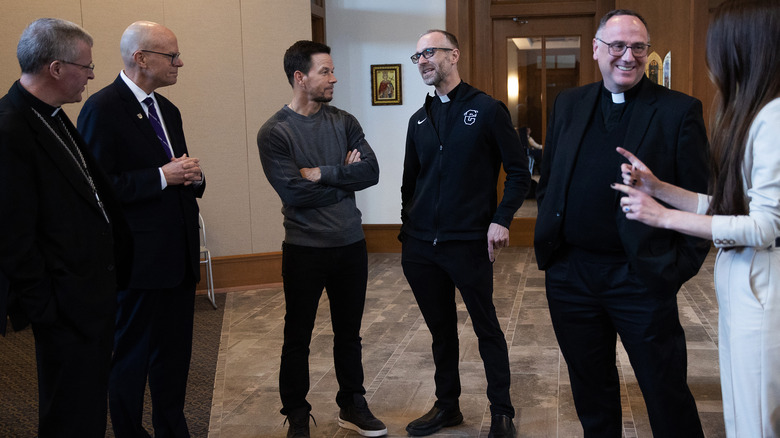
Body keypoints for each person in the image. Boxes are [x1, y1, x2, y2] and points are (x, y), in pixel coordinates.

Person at [534, 9, 710, 438]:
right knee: (590, 391)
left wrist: (673, 270)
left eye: (637, 47)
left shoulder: (678, 111)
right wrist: (555, 255)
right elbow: (552, 177)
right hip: (572, 275)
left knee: (665, 390)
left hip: (640, 276)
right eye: (617, 46)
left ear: (648, 53)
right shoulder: (569, 104)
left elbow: (700, 200)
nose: (627, 56)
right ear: (597, 50)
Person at [611, 1, 780, 435]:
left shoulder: (774, 118)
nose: (711, 55)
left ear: (743, 47)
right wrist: (660, 189)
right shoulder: (754, 111)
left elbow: (764, 226)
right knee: (744, 414)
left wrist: (662, 217)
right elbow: (730, 210)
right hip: (743, 283)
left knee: (758, 420)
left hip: (761, 286)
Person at [0, 18, 132, 437]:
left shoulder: (54, 115)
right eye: (87, 67)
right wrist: (46, 306)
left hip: (88, 293)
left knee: (87, 404)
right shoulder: (10, 127)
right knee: (68, 412)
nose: (92, 76)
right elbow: (12, 234)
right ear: (56, 68)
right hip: (62, 302)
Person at [77, 21, 205, 438]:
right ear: (141, 58)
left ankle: (172, 428)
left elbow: (177, 173)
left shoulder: (167, 109)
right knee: (131, 357)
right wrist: (162, 177)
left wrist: (193, 178)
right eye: (172, 56)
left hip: (179, 259)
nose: (179, 63)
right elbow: (97, 189)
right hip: (136, 262)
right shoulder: (102, 108)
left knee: (174, 357)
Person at [401, 30, 530, 438]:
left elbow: (519, 172)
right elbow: (410, 183)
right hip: (422, 247)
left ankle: (502, 411)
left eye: (429, 52)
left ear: (453, 55)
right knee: (441, 330)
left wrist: (502, 217)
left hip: (468, 243)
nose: (422, 60)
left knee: (485, 326)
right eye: (416, 55)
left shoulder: (487, 110)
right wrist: (409, 228)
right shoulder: (418, 119)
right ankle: (447, 406)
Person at [257, 40, 386, 438]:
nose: (334, 78)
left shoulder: (344, 121)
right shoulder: (275, 133)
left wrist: (321, 173)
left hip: (350, 245)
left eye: (332, 71)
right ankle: (296, 412)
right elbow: (294, 193)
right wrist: (344, 180)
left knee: (349, 333)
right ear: (300, 77)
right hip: (304, 249)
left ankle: (352, 404)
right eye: (325, 72)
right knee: (297, 335)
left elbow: (371, 172)